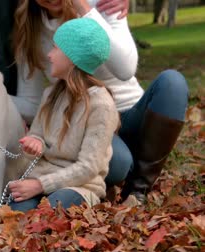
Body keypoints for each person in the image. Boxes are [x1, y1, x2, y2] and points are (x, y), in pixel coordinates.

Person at [12, 0, 188, 203]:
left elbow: (126, 70)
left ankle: (138, 189)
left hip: (130, 110)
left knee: (173, 83)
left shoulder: (104, 4)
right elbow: (33, 103)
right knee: (119, 164)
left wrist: (86, 10)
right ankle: (110, 180)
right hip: (87, 124)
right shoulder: (29, 27)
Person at [8, 17, 119, 212]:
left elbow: (88, 167)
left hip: (80, 187)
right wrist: (35, 143)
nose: (50, 55)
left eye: (56, 48)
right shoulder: (50, 94)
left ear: (72, 57)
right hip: (40, 178)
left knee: (51, 212)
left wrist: (41, 185)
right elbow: (37, 135)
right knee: (16, 216)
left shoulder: (102, 105)